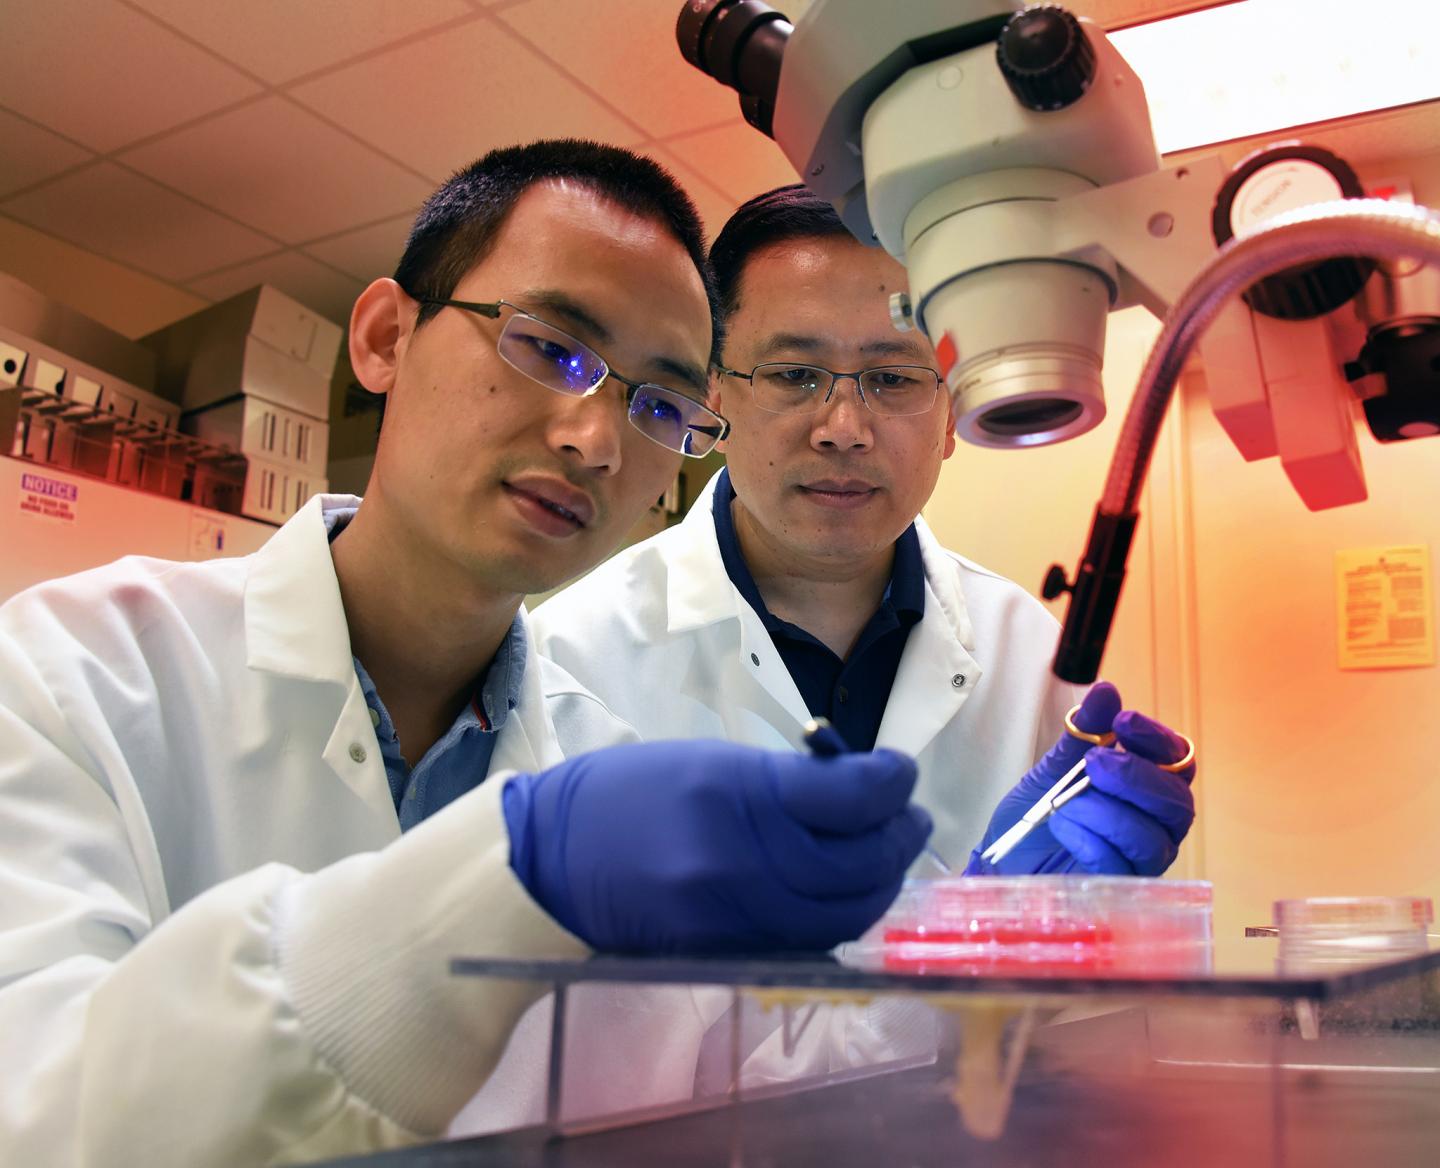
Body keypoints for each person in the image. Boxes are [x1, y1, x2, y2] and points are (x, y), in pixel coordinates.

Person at [0, 148, 929, 1167]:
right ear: (385, 337)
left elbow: (742, 1085)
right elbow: (37, 1115)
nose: (596, 441)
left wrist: (981, 930)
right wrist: (500, 880)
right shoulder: (68, 674)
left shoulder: (599, 753)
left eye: (659, 407)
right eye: (552, 348)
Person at [532, 183, 1197, 878]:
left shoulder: (1030, 659)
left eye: (893, 378)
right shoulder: (573, 662)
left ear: (952, 413)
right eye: (794, 374)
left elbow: (1089, 937)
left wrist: (1068, 911)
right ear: (714, 397)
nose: (843, 430)